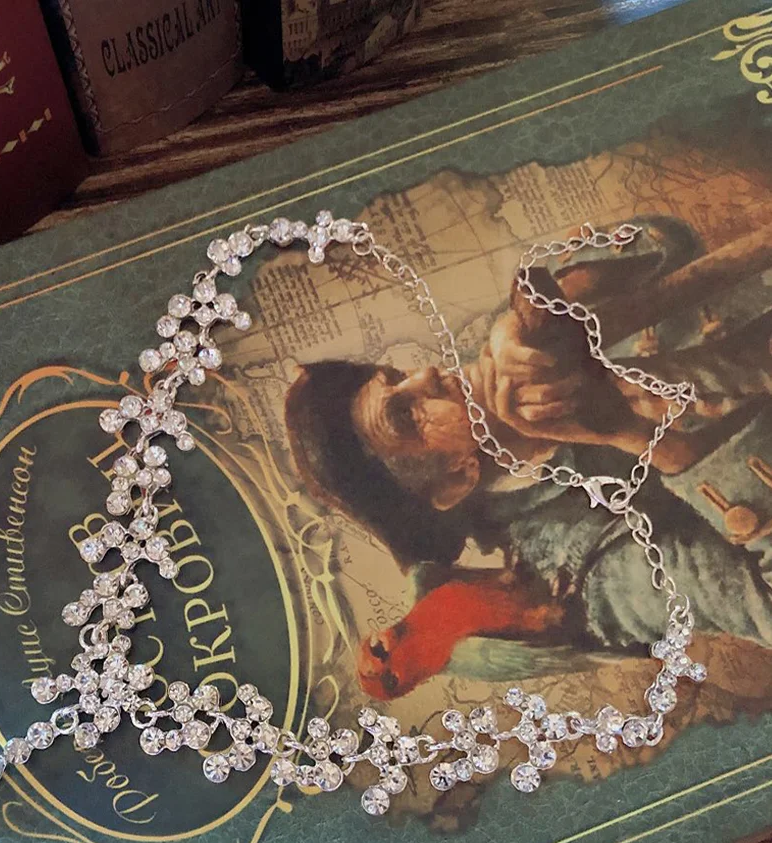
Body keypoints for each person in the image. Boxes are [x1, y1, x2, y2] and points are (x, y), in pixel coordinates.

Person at [284, 221, 772, 696]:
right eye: (408, 416)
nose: (427, 374)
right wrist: (642, 438)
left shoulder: (512, 341)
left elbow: (670, 240)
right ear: (455, 480)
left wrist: (558, 300)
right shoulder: (579, 578)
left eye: (397, 376)